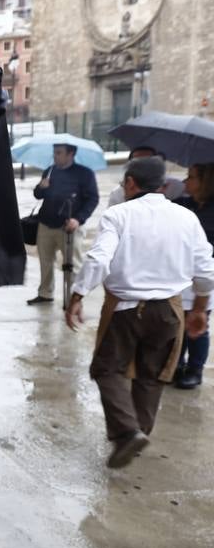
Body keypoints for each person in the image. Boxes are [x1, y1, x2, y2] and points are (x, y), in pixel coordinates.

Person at [65, 157, 214, 468]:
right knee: (152, 374)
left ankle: (128, 433)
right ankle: (137, 433)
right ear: (162, 185)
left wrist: (77, 295)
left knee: (107, 369)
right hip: (170, 310)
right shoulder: (186, 218)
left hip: (125, 309)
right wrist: (200, 310)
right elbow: (205, 270)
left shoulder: (118, 215)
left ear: (131, 183)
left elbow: (98, 259)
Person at [28, 143, 99, 305]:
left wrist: (78, 219)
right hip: (46, 223)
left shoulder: (84, 174)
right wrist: (41, 187)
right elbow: (38, 195)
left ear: (71, 154)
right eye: (54, 152)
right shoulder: (50, 171)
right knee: (45, 261)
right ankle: (45, 293)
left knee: (73, 263)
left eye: (59, 153)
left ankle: (75, 297)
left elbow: (93, 199)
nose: (55, 156)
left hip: (70, 225)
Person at [174, 162, 214, 388]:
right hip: (179, 273)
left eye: (191, 177)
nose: (185, 182)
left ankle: (195, 369)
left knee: (197, 322)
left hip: (205, 274)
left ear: (205, 182)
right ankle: (176, 363)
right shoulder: (181, 204)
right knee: (176, 321)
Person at [106, 147, 185, 205]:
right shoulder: (117, 194)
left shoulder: (177, 187)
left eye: (148, 161)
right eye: (137, 162)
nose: (144, 167)